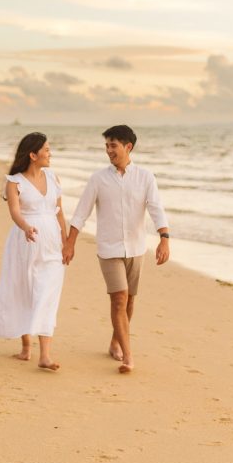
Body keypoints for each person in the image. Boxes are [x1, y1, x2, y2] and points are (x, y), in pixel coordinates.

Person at [62, 125, 169, 374]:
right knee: (119, 297)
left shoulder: (145, 177)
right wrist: (70, 242)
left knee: (130, 299)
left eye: (113, 145)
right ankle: (128, 356)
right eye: (107, 145)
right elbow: (81, 212)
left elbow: (156, 209)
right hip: (109, 248)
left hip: (136, 248)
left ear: (127, 147)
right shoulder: (98, 179)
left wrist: (164, 238)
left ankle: (115, 342)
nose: (109, 150)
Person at [0, 132, 67, 370]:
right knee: (24, 289)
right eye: (46, 149)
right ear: (33, 155)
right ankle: (26, 347)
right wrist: (25, 227)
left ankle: (45, 355)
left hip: (53, 243)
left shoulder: (53, 177)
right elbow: (15, 211)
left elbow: (59, 211)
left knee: (47, 293)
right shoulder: (14, 181)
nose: (50, 153)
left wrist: (67, 242)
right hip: (25, 243)